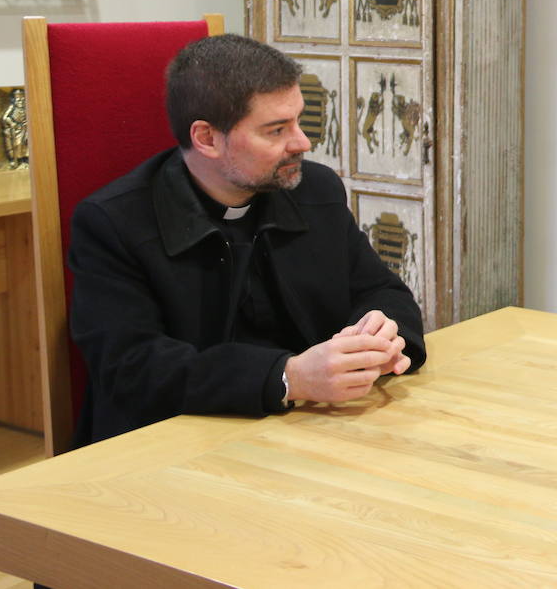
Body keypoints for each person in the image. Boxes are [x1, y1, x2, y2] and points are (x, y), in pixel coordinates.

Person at [67, 34, 427, 447]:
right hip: (174, 445)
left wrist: (380, 337)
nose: (302, 142)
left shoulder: (313, 190)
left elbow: (381, 290)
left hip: (313, 429)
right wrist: (287, 377)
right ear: (206, 139)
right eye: (276, 130)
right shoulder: (112, 222)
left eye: (298, 120)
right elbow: (131, 367)